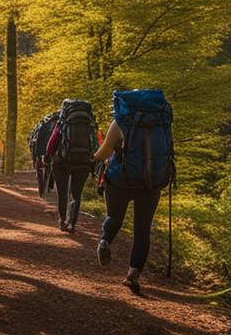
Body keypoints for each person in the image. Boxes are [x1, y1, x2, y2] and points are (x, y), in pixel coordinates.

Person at [92, 89, 175, 294]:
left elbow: (105, 153)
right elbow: (168, 151)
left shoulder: (121, 120)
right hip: (151, 184)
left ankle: (105, 240)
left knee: (115, 216)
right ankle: (133, 275)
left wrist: (93, 159)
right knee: (142, 229)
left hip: (120, 181)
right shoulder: (163, 122)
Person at [45, 100, 100, 232]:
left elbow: (51, 144)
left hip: (62, 163)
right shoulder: (90, 124)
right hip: (83, 162)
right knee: (76, 194)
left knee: (62, 193)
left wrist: (48, 157)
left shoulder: (63, 123)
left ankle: (63, 221)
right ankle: (72, 223)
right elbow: (96, 144)